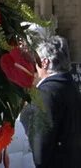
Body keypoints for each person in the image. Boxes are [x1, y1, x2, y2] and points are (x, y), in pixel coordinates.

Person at [19, 35, 81, 167]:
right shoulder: (70, 86)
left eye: (36, 60)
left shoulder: (46, 93)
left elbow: (41, 145)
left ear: (45, 62)